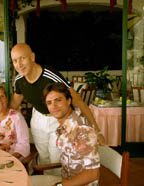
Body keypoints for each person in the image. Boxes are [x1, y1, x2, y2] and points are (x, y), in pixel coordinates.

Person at [10, 43, 104, 172]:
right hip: (38, 118)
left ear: (32, 57)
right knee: (43, 158)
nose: (19, 64)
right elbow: (14, 104)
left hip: (59, 119)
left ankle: (59, 182)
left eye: (23, 58)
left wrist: (97, 130)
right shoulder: (19, 80)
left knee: (56, 160)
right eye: (15, 61)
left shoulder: (50, 76)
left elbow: (79, 102)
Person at [30, 83, 100, 186]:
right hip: (65, 180)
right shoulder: (63, 127)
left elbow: (92, 174)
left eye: (58, 100)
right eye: (49, 103)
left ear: (68, 101)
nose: (54, 106)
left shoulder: (82, 130)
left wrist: (60, 185)